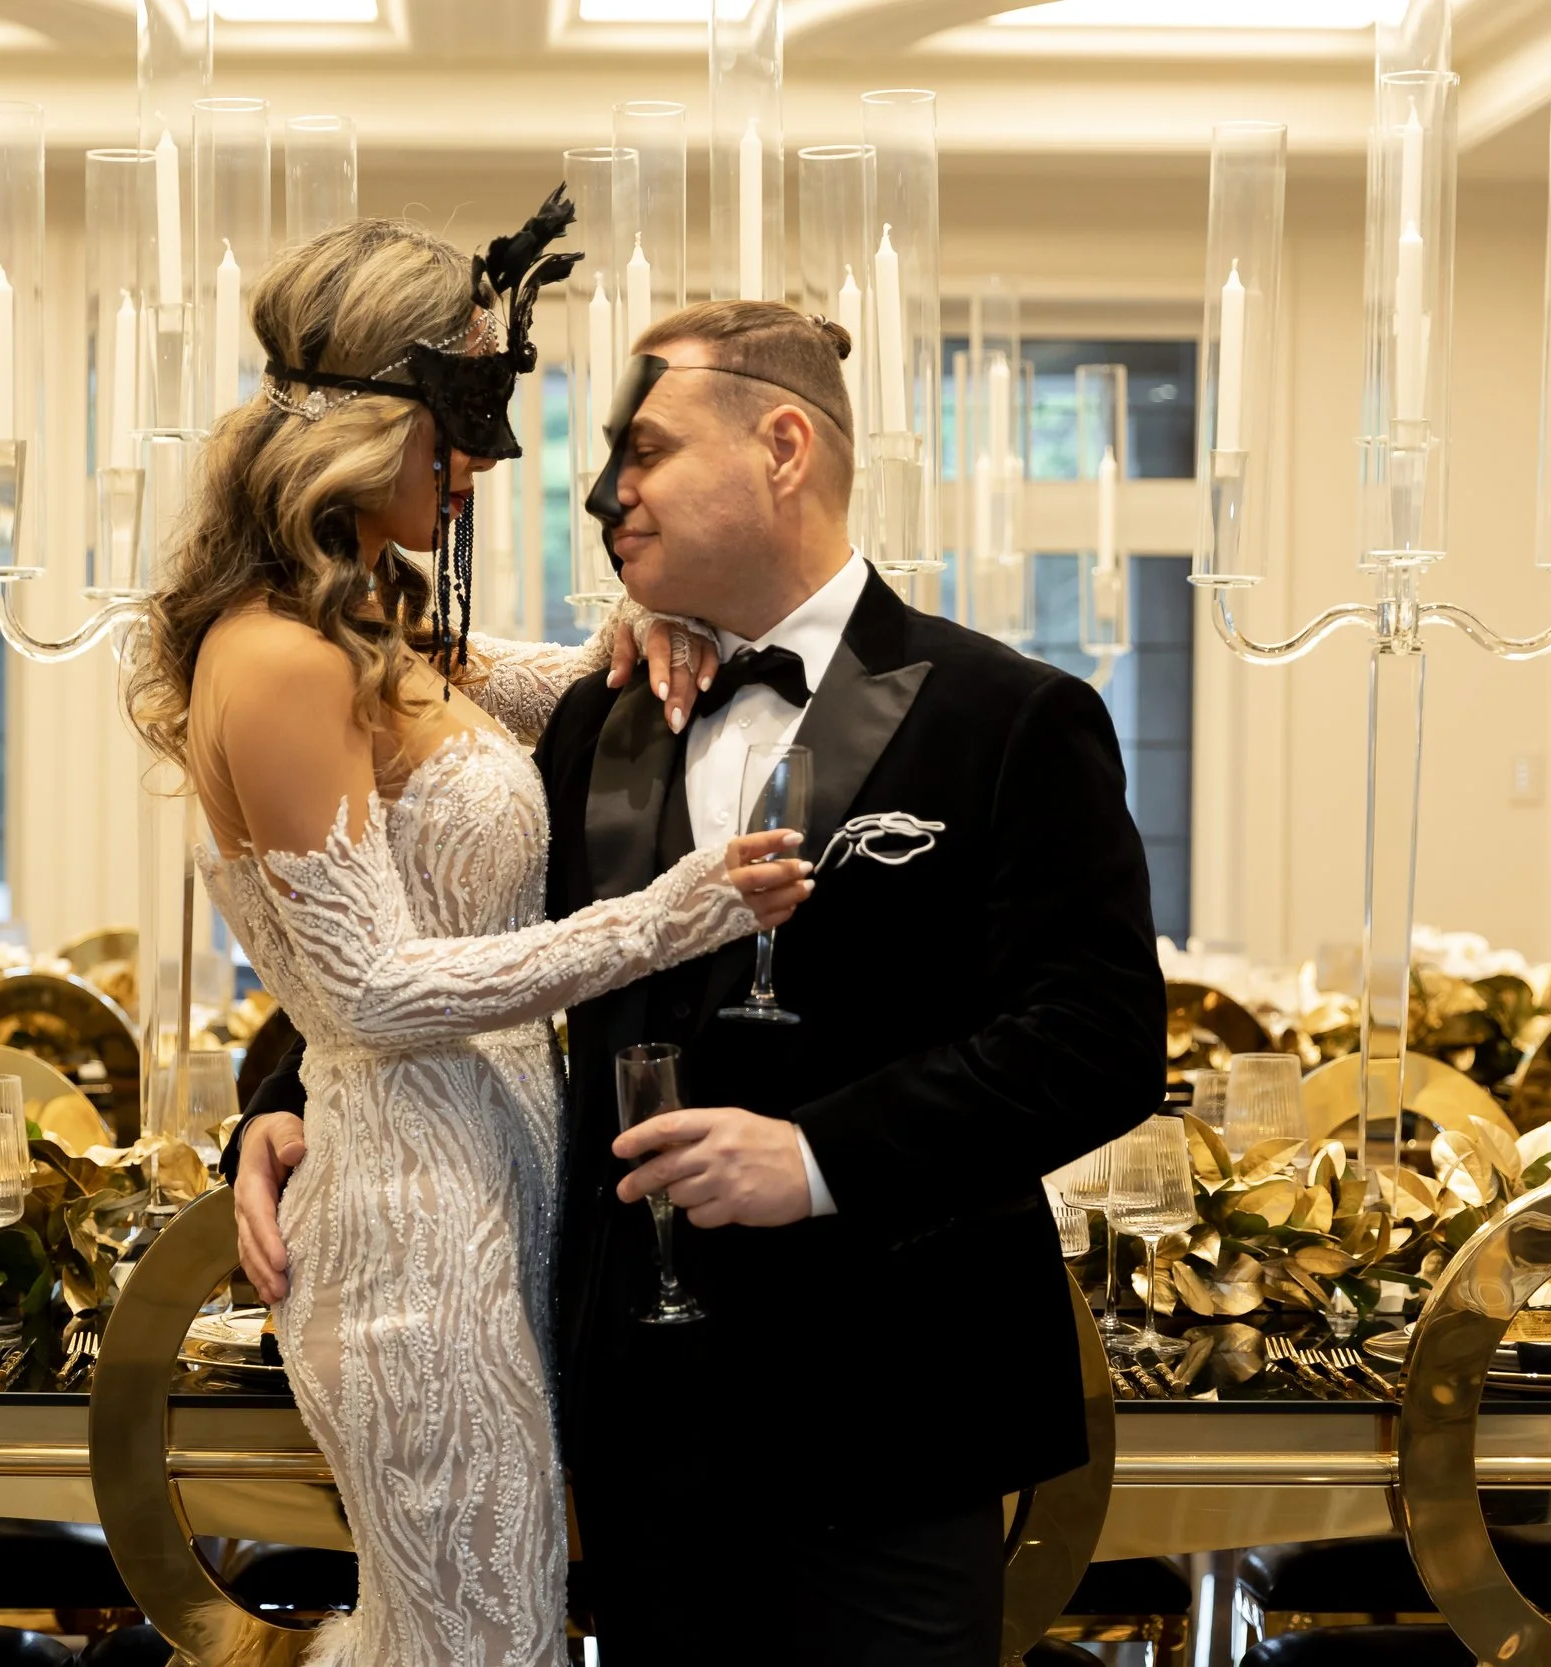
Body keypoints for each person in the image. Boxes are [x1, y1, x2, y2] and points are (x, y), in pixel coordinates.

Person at [229, 300, 1169, 1665]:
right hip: (636, 1413)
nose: (607, 493)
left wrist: (817, 1156)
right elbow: (424, 932)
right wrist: (278, 1102)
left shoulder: (1007, 716)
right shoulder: (597, 716)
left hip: (894, 1410)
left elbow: (1097, 1041)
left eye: (646, 451)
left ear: (783, 446)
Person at [124, 201, 817, 1667]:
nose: (487, 464)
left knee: (487, 1635)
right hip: (410, 1239)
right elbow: (368, 992)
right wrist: (669, 915)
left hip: (497, 1194)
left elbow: (540, 698)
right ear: (373, 424)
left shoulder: (366, 629)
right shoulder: (275, 657)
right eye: (465, 422)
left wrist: (646, 633)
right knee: (481, 1646)